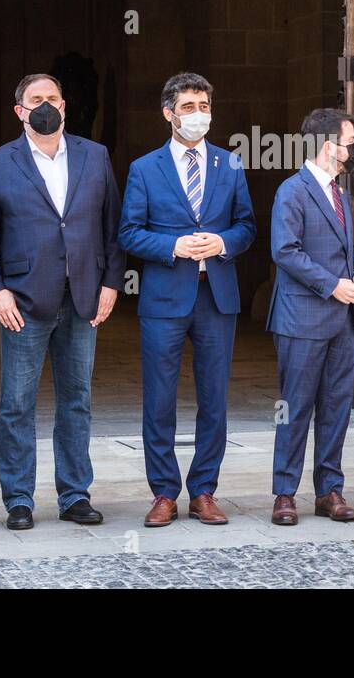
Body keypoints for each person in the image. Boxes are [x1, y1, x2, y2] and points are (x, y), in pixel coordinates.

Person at [0, 73, 124, 530]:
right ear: (19, 110)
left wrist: (112, 284)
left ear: (65, 104)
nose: (45, 106)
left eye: (52, 98)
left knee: (76, 399)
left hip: (82, 298)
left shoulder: (94, 156)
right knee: (17, 403)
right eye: (35, 100)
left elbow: (112, 228)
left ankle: (75, 494)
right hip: (21, 301)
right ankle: (19, 497)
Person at [119, 73, 256, 528]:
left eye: (204, 105)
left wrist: (222, 243)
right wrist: (172, 246)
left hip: (217, 298)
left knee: (214, 399)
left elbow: (247, 226)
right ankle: (163, 492)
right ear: (169, 113)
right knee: (159, 399)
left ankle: (204, 490)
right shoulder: (144, 168)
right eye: (189, 106)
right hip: (163, 298)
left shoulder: (229, 164)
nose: (199, 114)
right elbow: (129, 232)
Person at [267, 108, 354, 526]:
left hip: (341, 322)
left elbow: (348, 251)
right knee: (293, 408)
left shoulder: (341, 193)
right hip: (302, 319)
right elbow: (286, 251)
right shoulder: (292, 191)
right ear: (329, 147)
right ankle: (284, 494)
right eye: (349, 141)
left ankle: (330, 490)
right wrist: (332, 285)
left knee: (336, 408)